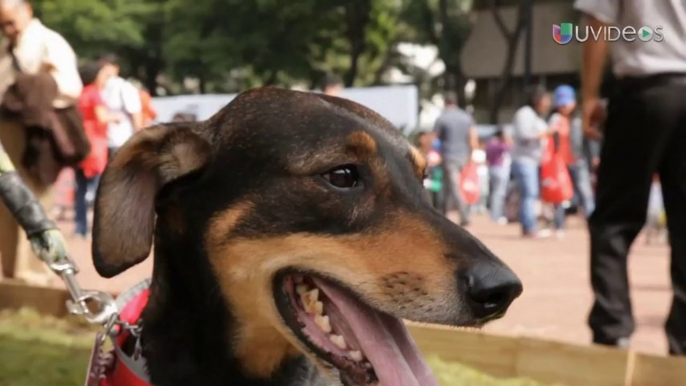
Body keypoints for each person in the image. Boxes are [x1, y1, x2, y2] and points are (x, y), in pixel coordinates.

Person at [576, 0, 686, 355]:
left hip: (645, 90)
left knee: (613, 220)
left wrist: (591, 95)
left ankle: (613, 332)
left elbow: (598, 21)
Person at [0, 0, 82, 284]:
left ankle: (37, 272)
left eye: (10, 22)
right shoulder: (4, 46)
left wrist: (33, 93)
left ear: (27, 11)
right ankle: (13, 270)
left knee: (34, 201)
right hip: (6, 130)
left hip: (35, 134)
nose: (7, 29)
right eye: (2, 24)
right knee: (8, 202)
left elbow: (71, 87)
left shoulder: (50, 42)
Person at [74, 62, 119, 239]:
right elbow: (101, 118)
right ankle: (99, 228)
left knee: (80, 188)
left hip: (79, 142)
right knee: (99, 188)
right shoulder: (95, 95)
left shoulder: (79, 94)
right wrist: (114, 117)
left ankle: (80, 227)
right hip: (95, 144)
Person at [546, 85, 596, 239]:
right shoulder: (554, 120)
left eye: (566, 103)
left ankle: (593, 225)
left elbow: (589, 140)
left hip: (577, 160)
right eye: (560, 103)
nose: (563, 107)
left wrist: (594, 156)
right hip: (559, 164)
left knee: (585, 193)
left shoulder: (580, 119)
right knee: (560, 195)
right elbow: (547, 139)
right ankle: (559, 225)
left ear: (573, 102)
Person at [510, 86, 555, 238]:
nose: (548, 103)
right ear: (537, 99)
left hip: (532, 161)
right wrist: (546, 133)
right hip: (524, 160)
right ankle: (529, 227)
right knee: (530, 193)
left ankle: (528, 225)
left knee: (529, 194)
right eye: (546, 99)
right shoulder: (525, 113)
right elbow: (524, 134)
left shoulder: (535, 116)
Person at [433, 91, 478, 226]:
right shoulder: (466, 117)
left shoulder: (442, 118)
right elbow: (472, 138)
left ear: (445, 102)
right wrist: (471, 156)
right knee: (447, 186)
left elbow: (434, 138)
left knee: (453, 186)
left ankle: (464, 215)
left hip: (449, 156)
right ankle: (442, 214)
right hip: (463, 157)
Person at [98, 53, 143, 158]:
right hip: (102, 142)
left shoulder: (124, 87)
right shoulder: (98, 88)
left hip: (120, 141)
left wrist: (139, 140)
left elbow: (136, 114)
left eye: (106, 66)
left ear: (115, 68)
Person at [485, 128, 511, 224]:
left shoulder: (490, 143)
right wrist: (506, 138)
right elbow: (509, 147)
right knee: (499, 194)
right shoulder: (500, 144)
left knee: (494, 193)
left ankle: (493, 214)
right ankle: (497, 215)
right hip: (500, 169)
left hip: (491, 169)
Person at [416, 131, 443, 210]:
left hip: (435, 180)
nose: (422, 139)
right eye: (421, 137)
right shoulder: (416, 151)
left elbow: (439, 162)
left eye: (424, 137)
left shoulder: (434, 152)